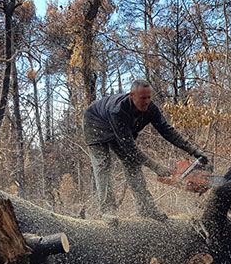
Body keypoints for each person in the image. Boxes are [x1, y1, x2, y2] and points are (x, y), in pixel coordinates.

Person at [84, 79, 209, 220]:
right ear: (132, 96)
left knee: (132, 164)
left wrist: (194, 151)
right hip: (95, 123)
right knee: (103, 164)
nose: (147, 101)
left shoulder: (151, 109)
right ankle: (108, 210)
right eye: (143, 98)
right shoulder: (118, 111)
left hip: (119, 130)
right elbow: (130, 148)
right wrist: (156, 167)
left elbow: (167, 131)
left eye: (149, 97)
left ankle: (146, 208)